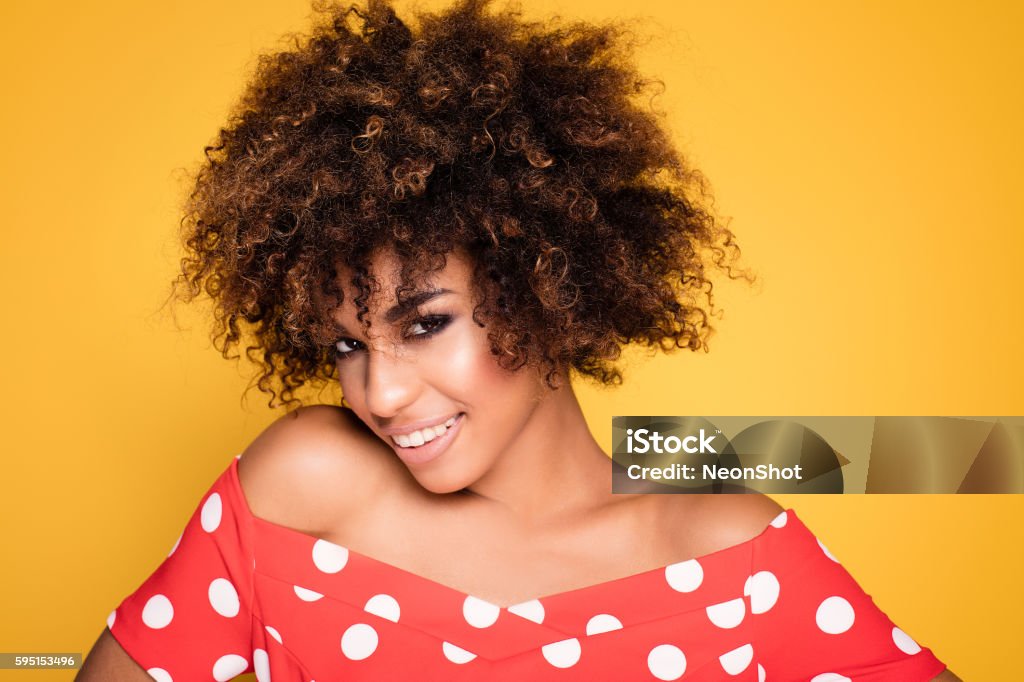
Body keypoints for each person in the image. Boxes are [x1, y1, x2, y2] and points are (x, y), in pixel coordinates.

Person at [77, 0, 960, 679]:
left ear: (545, 288)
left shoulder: (725, 549)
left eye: (425, 324)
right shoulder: (306, 489)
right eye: (347, 345)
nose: (379, 395)